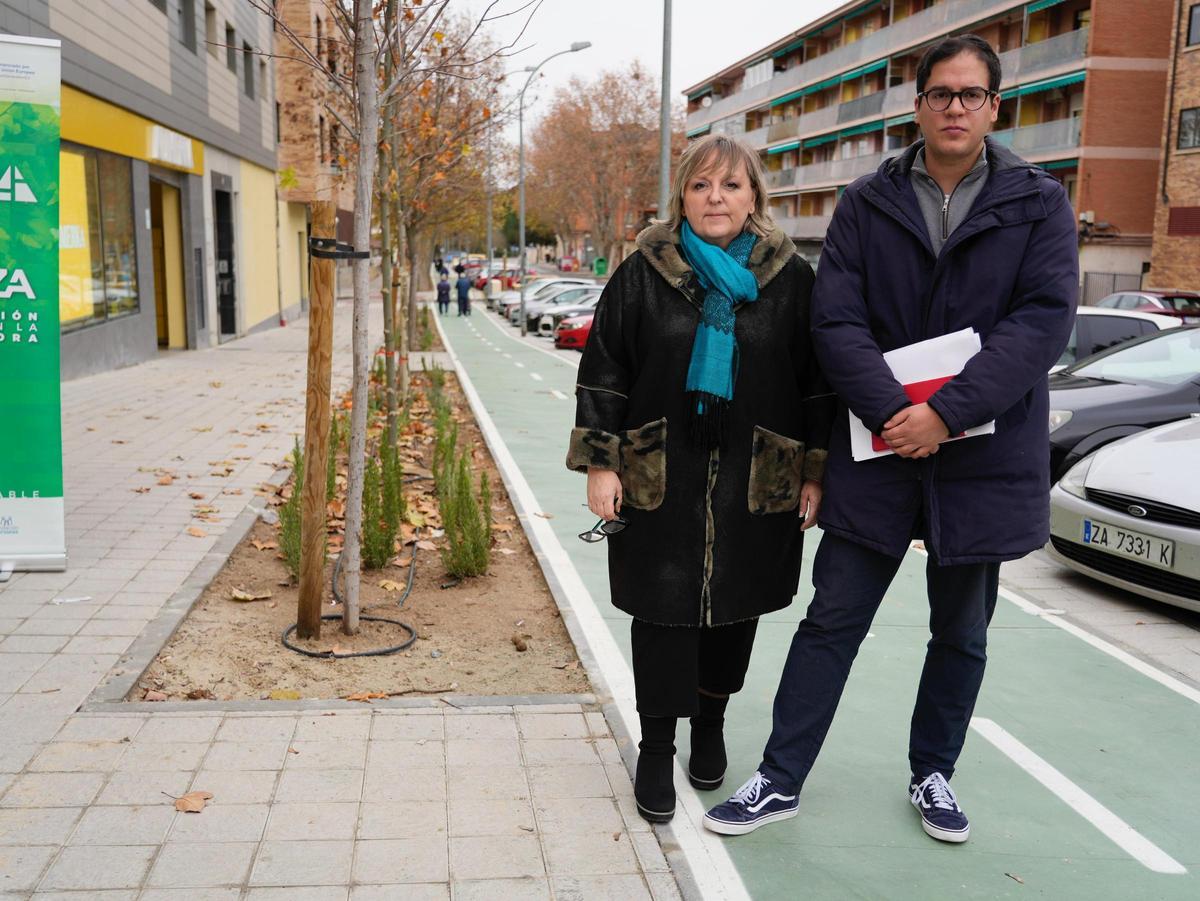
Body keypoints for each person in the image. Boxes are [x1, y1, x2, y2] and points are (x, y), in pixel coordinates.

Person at [705, 35, 1078, 842]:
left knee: (962, 632)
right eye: (940, 93)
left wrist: (946, 414)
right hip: (877, 449)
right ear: (918, 105)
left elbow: (1041, 323)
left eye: (970, 94)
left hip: (982, 457)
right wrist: (892, 414)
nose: (954, 107)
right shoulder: (866, 202)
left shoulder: (1040, 203)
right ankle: (779, 777)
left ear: (994, 106)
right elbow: (836, 321)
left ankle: (933, 772)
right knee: (832, 618)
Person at [566, 134, 835, 824]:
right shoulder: (643, 272)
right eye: (701, 185)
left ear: (754, 197)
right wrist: (602, 462)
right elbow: (604, 370)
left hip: (756, 478)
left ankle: (710, 724)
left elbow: (816, 384)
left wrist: (814, 471)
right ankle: (657, 747)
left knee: (735, 610)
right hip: (659, 474)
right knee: (660, 614)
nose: (716, 197)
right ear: (682, 197)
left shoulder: (790, 278)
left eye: (731, 185)